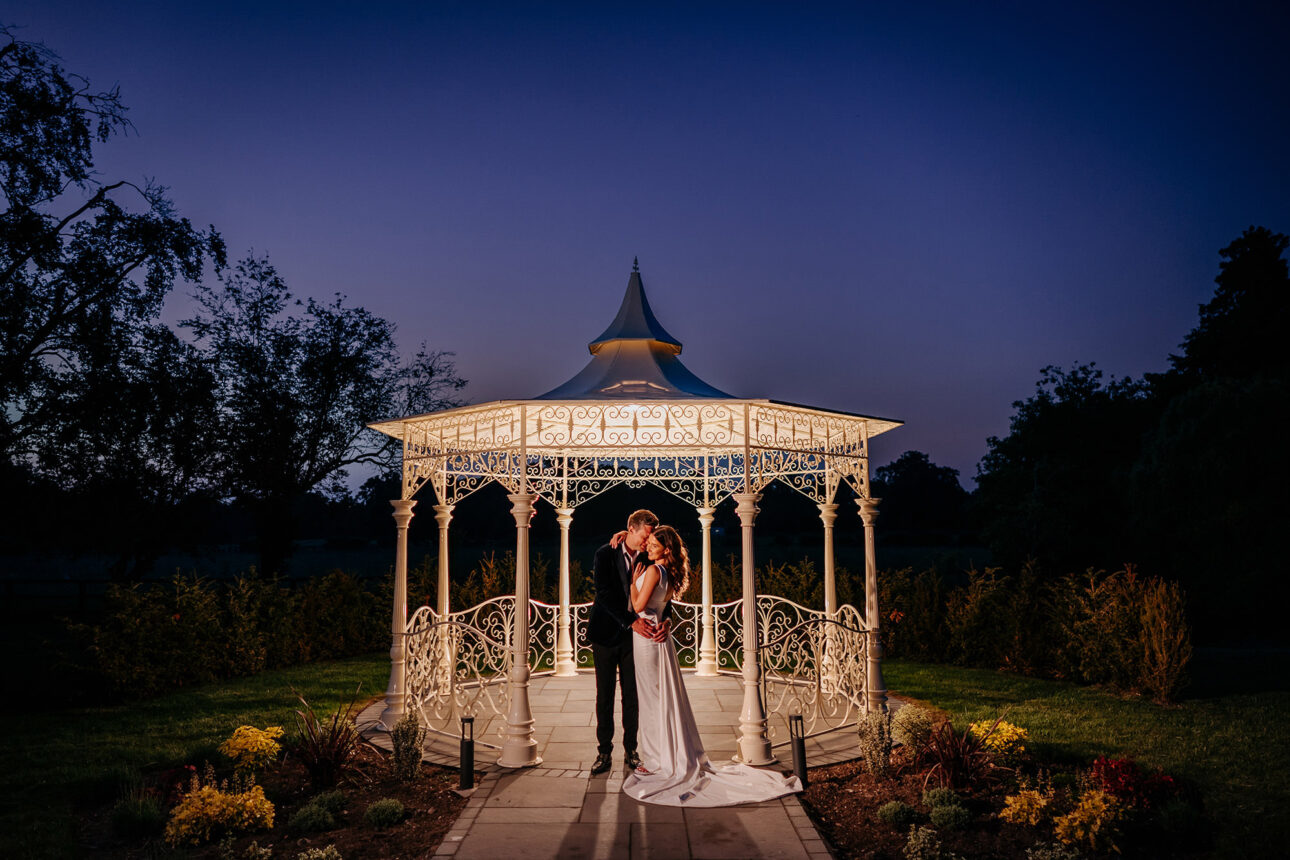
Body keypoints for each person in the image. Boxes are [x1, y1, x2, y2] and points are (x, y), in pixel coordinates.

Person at [622, 525, 802, 807]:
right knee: (659, 700)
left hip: (647, 638)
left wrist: (633, 581)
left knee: (652, 700)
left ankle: (658, 762)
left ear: (666, 550)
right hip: (657, 635)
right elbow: (658, 607)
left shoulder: (654, 571)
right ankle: (660, 757)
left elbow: (636, 604)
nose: (648, 548)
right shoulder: (667, 573)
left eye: (654, 545)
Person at [587, 508, 661, 776]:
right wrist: (630, 621)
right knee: (604, 695)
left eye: (651, 536)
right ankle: (603, 751)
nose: (648, 541)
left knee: (632, 695)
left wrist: (663, 621)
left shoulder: (649, 557)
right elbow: (604, 595)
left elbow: (662, 592)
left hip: (635, 639)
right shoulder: (605, 553)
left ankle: (632, 749)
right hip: (606, 634)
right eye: (645, 535)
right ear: (631, 529)